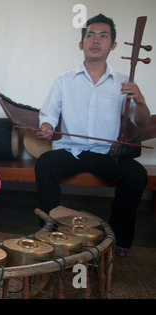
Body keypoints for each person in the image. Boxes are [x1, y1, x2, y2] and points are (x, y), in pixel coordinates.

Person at [35, 14, 150, 257]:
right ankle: (49, 232)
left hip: (106, 154)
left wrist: (140, 100)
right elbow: (49, 113)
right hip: (72, 150)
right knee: (45, 163)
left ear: (113, 45)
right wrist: (46, 126)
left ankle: (120, 239)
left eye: (103, 35)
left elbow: (141, 121)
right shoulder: (64, 80)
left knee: (136, 174)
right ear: (81, 44)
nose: (96, 40)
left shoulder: (123, 81)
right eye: (90, 35)